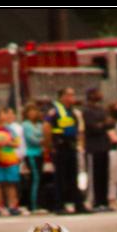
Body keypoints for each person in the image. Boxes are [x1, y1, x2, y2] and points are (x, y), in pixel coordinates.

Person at [43, 87, 86, 215]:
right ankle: (59, 205)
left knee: (73, 177)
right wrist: (49, 146)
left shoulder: (73, 112)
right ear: (62, 97)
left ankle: (79, 204)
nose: (72, 98)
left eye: (73, 95)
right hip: (59, 147)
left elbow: (79, 130)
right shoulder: (54, 111)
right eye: (69, 95)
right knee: (60, 178)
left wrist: (79, 144)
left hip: (71, 147)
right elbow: (47, 128)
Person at [82, 88, 113, 211]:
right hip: (93, 147)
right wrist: (104, 123)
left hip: (104, 145)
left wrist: (103, 123)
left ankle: (103, 201)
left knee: (104, 175)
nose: (101, 95)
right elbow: (93, 127)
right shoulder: (87, 111)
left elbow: (111, 123)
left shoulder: (102, 109)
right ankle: (94, 201)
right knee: (94, 175)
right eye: (97, 93)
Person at [22, 103, 45, 213]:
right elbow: (31, 139)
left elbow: (44, 134)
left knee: (39, 178)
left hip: (40, 153)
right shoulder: (25, 125)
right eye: (30, 111)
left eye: (35, 111)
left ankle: (39, 202)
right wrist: (43, 140)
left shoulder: (40, 125)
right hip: (31, 153)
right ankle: (33, 205)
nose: (33, 113)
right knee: (35, 178)